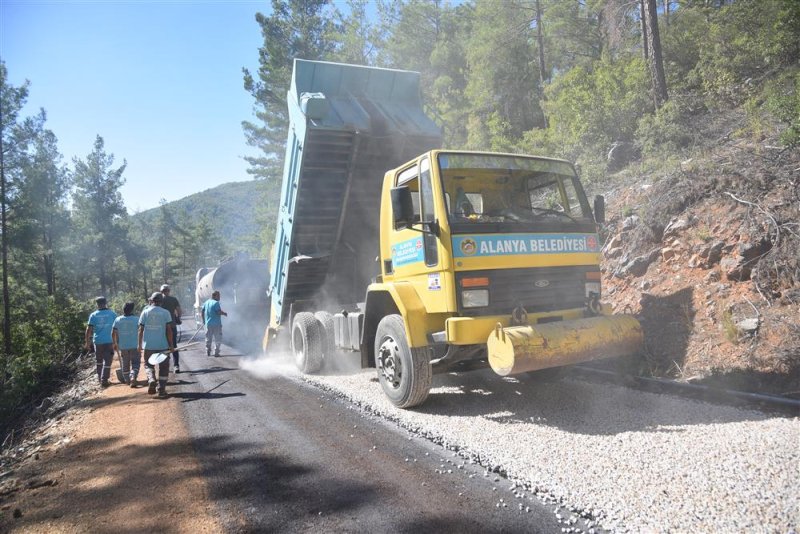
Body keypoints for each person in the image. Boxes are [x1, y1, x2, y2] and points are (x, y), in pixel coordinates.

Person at [138, 292, 174, 398]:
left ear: (152, 301)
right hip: (163, 346)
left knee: (148, 365)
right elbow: (169, 331)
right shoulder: (165, 312)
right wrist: (171, 345)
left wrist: (139, 345)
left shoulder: (145, 312)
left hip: (148, 345)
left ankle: (152, 379)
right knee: (163, 367)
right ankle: (162, 390)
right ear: (161, 302)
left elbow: (140, 329)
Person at [85, 296, 117, 387]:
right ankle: (104, 379)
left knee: (99, 360)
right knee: (107, 361)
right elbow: (117, 327)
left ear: (97, 304)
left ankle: (100, 378)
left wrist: (87, 342)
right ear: (106, 302)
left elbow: (88, 329)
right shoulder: (112, 314)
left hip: (98, 341)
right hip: (109, 341)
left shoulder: (93, 315)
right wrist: (118, 340)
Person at [113, 302, 140, 387]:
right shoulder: (137, 319)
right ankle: (133, 376)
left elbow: (113, 332)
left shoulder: (118, 319)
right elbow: (141, 332)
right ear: (132, 309)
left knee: (125, 363)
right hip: (135, 345)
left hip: (123, 346)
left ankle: (127, 380)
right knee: (135, 363)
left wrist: (115, 343)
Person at [160, 284, 183, 373]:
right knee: (173, 346)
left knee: (162, 347)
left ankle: (163, 366)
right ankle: (176, 366)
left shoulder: (159, 300)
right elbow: (179, 310)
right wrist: (178, 318)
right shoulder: (173, 299)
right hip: (172, 326)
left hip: (161, 328)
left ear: (161, 291)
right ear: (168, 291)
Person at [201, 290, 227, 357]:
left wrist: (204, 321)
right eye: (218, 296)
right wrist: (224, 313)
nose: (219, 297)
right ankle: (216, 352)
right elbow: (218, 312)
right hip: (216, 324)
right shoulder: (216, 303)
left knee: (208, 338)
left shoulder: (206, 302)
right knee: (218, 338)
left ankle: (208, 350)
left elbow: (202, 311)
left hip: (208, 324)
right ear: (214, 296)